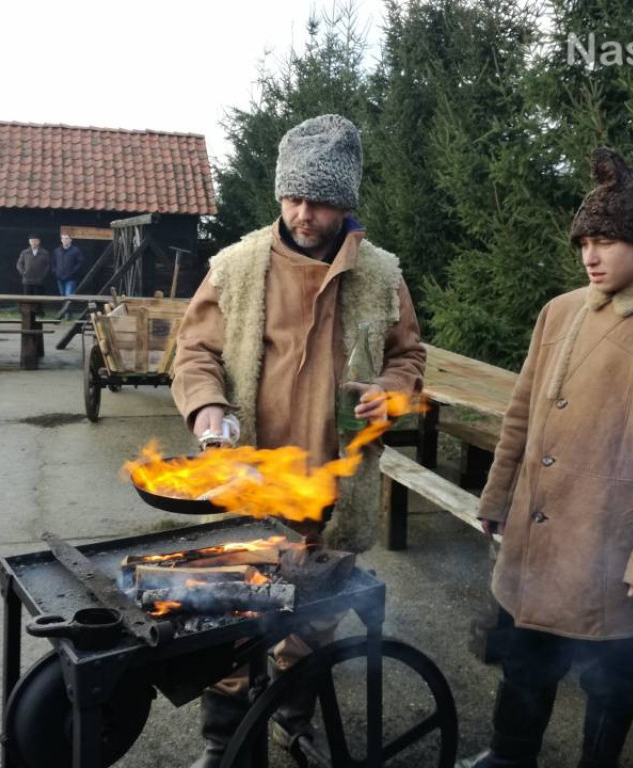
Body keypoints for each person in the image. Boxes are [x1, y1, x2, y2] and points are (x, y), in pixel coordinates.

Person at [173, 114, 427, 768]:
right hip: (249, 487)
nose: (302, 212)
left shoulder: (380, 274)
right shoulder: (236, 267)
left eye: (316, 200)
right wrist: (207, 411)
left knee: (312, 623)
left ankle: (293, 716)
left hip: (330, 492)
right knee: (229, 619)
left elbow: (408, 358)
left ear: (346, 202)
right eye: (292, 197)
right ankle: (223, 742)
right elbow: (194, 353)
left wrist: (392, 394)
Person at [468, 148, 633, 768]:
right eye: (584, 239)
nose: (590, 254)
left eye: (607, 239)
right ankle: (509, 760)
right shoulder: (558, 312)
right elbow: (521, 415)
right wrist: (498, 495)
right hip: (535, 543)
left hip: (612, 553)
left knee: (609, 681)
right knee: (524, 662)